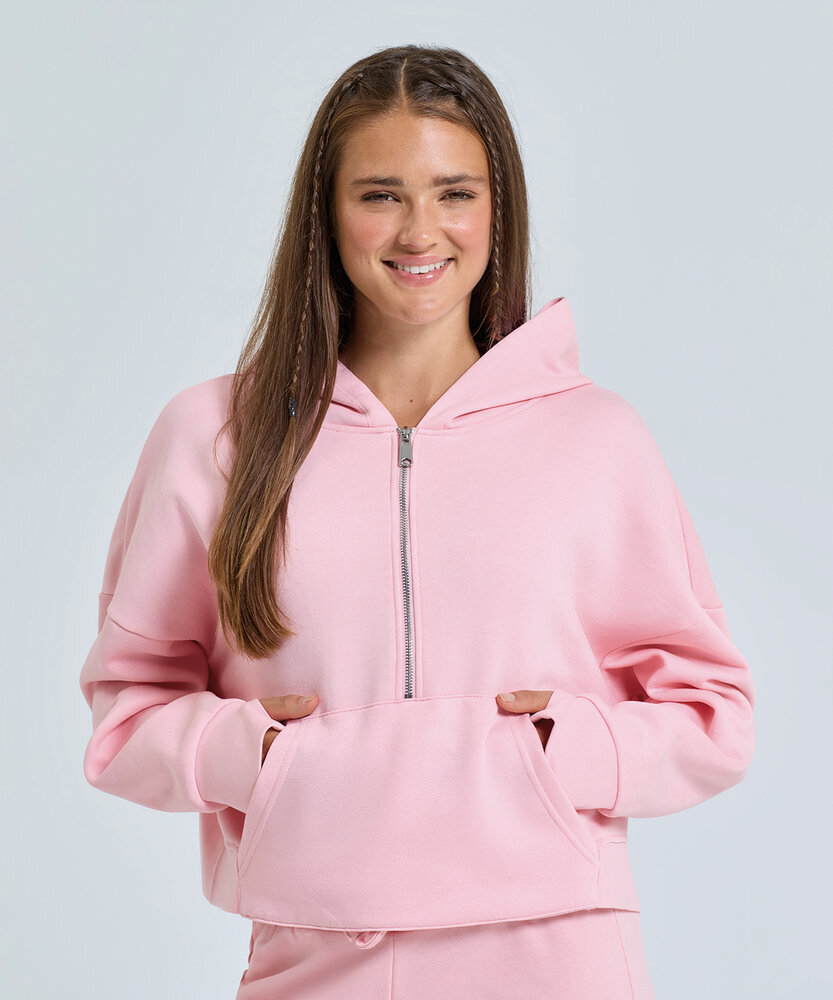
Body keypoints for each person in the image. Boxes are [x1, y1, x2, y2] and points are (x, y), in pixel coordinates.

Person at [79, 43, 756, 999]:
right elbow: (127, 704)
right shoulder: (214, 436)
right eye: (380, 194)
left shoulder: (595, 437)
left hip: (557, 948)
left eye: (454, 193)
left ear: (496, 208)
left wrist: (563, 750)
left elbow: (712, 712)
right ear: (326, 212)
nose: (419, 230)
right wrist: (249, 754)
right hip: (316, 947)